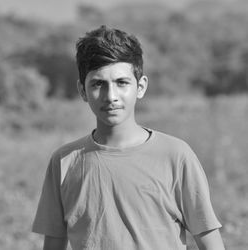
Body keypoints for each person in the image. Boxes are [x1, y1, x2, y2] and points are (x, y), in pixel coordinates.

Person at [32, 25, 225, 250]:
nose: (111, 96)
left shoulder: (175, 156)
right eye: (98, 84)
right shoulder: (64, 161)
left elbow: (210, 243)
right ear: (82, 90)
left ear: (140, 86)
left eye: (122, 83)